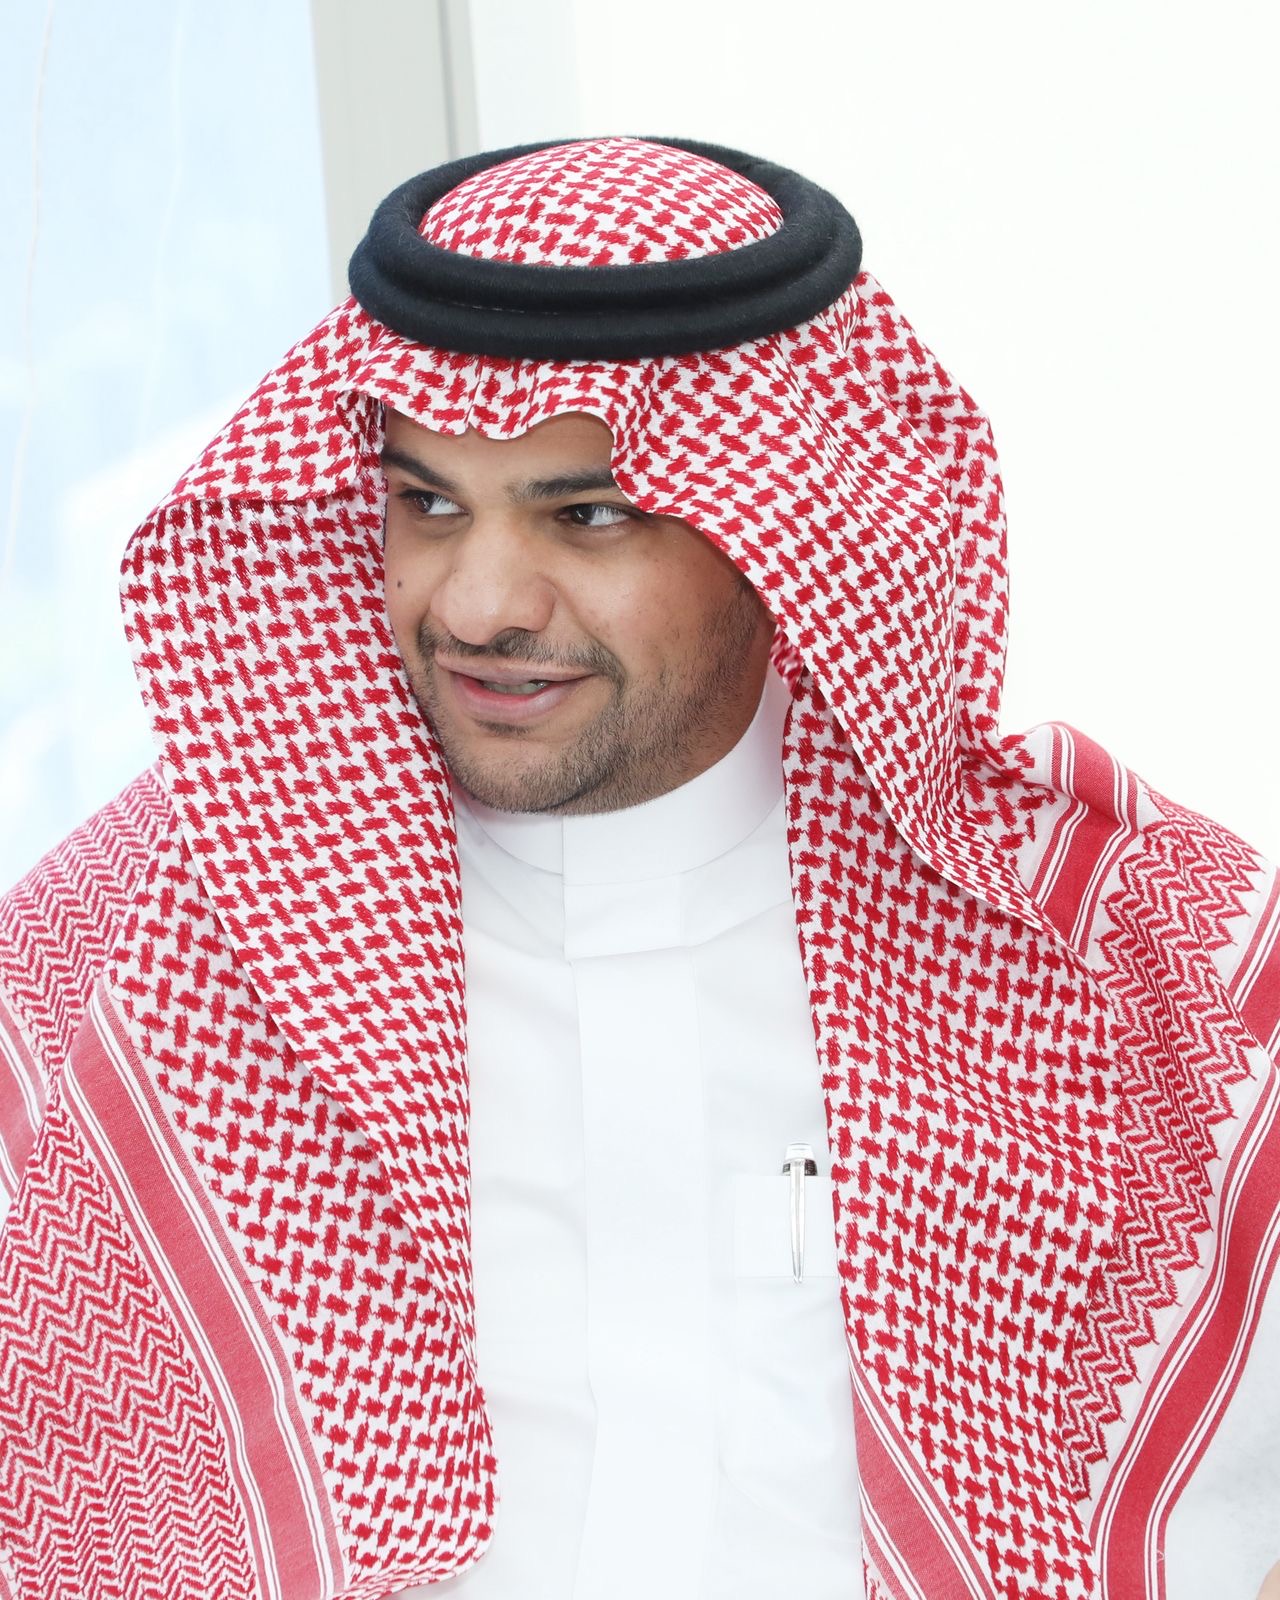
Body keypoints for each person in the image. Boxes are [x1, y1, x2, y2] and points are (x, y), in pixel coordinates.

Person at [0, 135, 1276, 1600]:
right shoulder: (125, 951)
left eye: (588, 516)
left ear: (783, 528)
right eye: (428, 504)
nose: (477, 605)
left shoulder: (1139, 955)